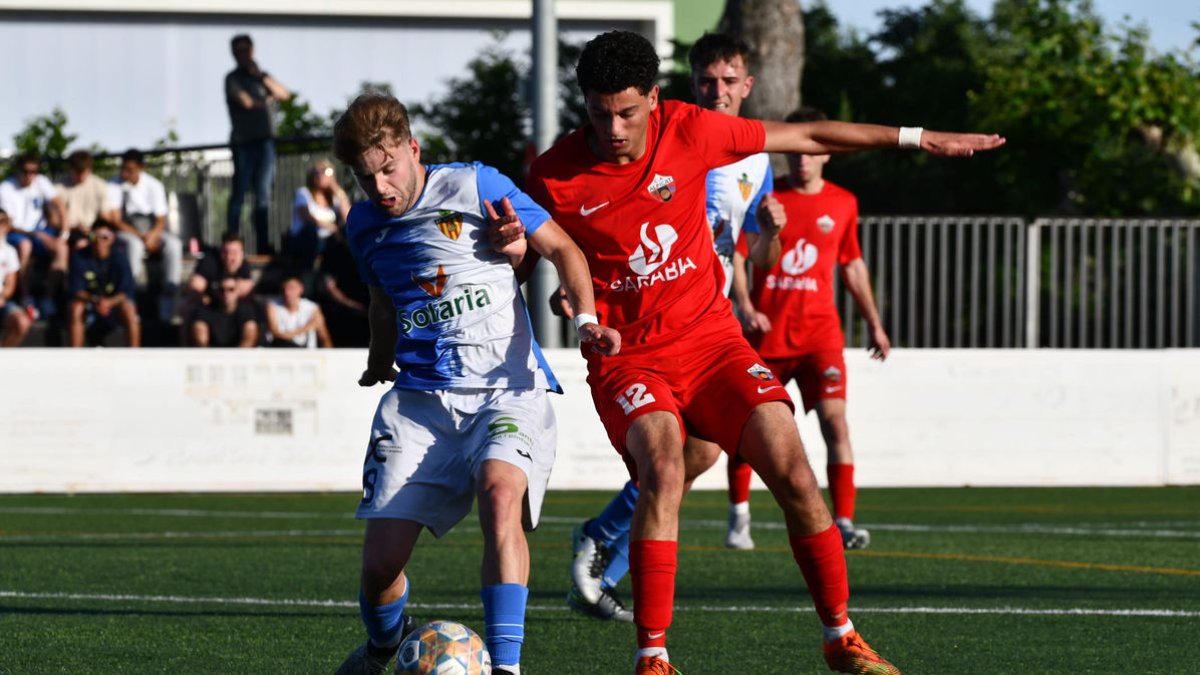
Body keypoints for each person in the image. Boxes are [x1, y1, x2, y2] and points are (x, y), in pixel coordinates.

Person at [526, 30, 1002, 675]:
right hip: (628, 356)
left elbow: (810, 136)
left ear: (655, 100)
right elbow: (538, 259)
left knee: (797, 474)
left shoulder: (692, 129)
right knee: (665, 470)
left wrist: (918, 138)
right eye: (600, 111)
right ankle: (653, 657)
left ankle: (842, 638)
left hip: (712, 341)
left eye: (628, 112)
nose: (613, 127)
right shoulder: (554, 174)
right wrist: (568, 304)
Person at [329, 92, 619, 675]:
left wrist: (587, 322)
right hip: (419, 403)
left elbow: (562, 248)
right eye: (366, 179)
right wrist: (378, 358)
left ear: (413, 148)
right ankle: (386, 643)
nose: (380, 187)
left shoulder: (475, 185)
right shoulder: (362, 226)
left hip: (505, 390)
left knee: (499, 491)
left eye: (389, 169)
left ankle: (507, 667)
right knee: (380, 569)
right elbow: (382, 297)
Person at [563, 32, 788, 627]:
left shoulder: (756, 161)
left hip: (710, 318)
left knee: (701, 454)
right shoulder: (683, 137)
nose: (718, 91)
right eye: (707, 81)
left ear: (747, 85)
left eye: (729, 80)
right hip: (654, 323)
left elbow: (748, 253)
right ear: (691, 86)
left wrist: (768, 240)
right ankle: (605, 554)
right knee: (676, 456)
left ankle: (602, 545)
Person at [734, 106, 890, 551]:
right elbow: (742, 255)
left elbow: (853, 265)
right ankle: (739, 516)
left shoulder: (843, 203)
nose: (802, 160)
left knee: (836, 426)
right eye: (795, 153)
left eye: (811, 153)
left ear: (827, 154)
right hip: (766, 336)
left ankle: (842, 520)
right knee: (749, 429)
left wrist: (874, 324)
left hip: (821, 337)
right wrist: (745, 305)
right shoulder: (767, 199)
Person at [225, 33, 292, 254]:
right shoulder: (232, 78)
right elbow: (246, 102)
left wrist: (262, 78)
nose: (242, 55)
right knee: (240, 194)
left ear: (252, 51)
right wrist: (267, 99)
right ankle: (231, 242)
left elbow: (284, 94)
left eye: (245, 50)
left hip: (266, 144)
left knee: (263, 195)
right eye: (238, 51)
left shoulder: (262, 76)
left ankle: (263, 245)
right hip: (244, 144)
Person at [112, 149, 184, 322]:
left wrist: (152, 236)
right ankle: (131, 295)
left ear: (140, 168)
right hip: (127, 231)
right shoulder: (114, 185)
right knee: (134, 246)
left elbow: (160, 218)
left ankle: (169, 294)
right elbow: (115, 220)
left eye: (129, 170)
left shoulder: (154, 185)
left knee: (174, 245)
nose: (125, 174)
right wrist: (141, 236)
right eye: (123, 169)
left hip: (150, 230)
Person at [0, 153, 68, 317]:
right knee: (25, 246)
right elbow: (9, 224)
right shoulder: (5, 189)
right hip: (18, 233)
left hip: (40, 232)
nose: (30, 175)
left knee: (62, 248)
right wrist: (37, 234)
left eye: (34, 171)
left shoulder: (41, 182)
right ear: (18, 170)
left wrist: (64, 233)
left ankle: (48, 298)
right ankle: (26, 297)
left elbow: (59, 205)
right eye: (26, 171)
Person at [66, 220, 140, 347]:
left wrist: (109, 302)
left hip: (114, 305)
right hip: (90, 304)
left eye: (104, 237)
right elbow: (76, 290)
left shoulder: (120, 258)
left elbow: (126, 291)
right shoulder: (80, 256)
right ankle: (75, 356)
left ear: (112, 239)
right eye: (94, 237)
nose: (99, 241)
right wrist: (96, 300)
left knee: (130, 310)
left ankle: (134, 357)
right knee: (75, 308)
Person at [286, 160, 350, 269]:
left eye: (324, 171)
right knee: (313, 233)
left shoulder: (334, 198)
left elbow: (347, 219)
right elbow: (307, 217)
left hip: (328, 240)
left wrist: (337, 190)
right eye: (316, 172)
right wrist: (332, 228)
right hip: (305, 239)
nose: (320, 175)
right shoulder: (303, 193)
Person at [57, 149, 119, 248]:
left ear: (90, 170)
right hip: (70, 231)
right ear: (71, 169)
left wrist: (95, 229)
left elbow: (105, 216)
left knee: (108, 240)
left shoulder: (100, 185)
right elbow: (54, 219)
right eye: (77, 173)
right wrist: (76, 227)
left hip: (93, 230)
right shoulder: (59, 187)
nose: (81, 176)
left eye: (84, 172)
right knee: (82, 243)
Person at [190, 273, 260, 348]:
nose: (226, 294)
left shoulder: (247, 310)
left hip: (240, 356)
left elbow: (249, 336)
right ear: (217, 292)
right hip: (212, 356)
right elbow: (201, 337)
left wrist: (236, 358)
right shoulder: (206, 309)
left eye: (231, 289)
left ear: (238, 291)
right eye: (222, 290)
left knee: (251, 328)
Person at [265, 274, 332, 348]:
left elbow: (324, 337)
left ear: (301, 289)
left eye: (292, 288)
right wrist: (308, 327)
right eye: (284, 288)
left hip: (306, 352)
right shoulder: (272, 305)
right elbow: (275, 333)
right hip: (280, 349)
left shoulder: (312, 308)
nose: (287, 292)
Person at [0, 210, 32, 346]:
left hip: (1, 301)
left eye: (3, 222)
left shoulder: (10, 252)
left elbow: (10, 284)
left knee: (22, 323)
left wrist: (2, 297)